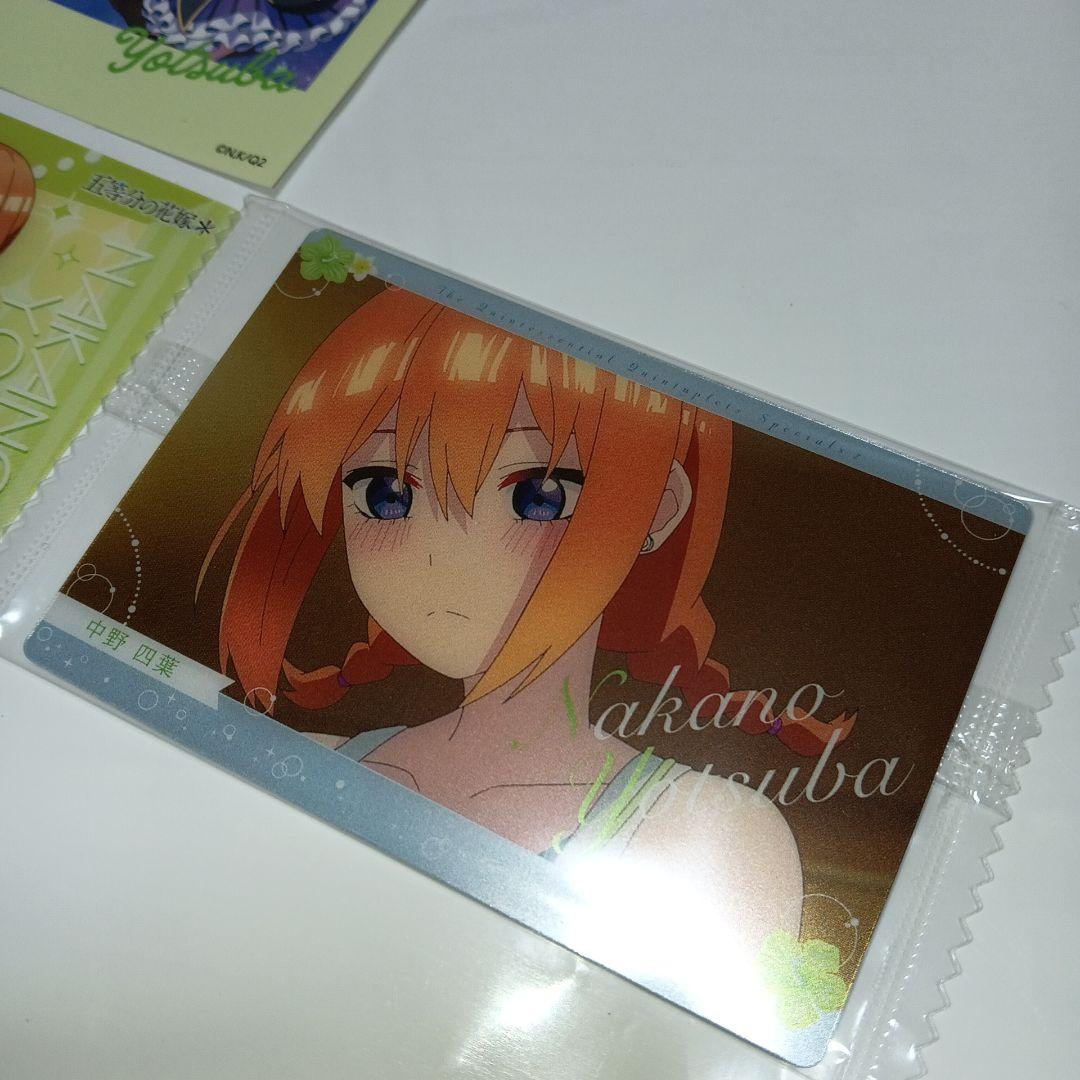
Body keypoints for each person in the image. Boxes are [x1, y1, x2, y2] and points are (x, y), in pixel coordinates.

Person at [202, 288, 856, 968]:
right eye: (385, 494)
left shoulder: (713, 834)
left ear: (654, 510)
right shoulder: (305, 761)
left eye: (536, 496)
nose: (445, 557)